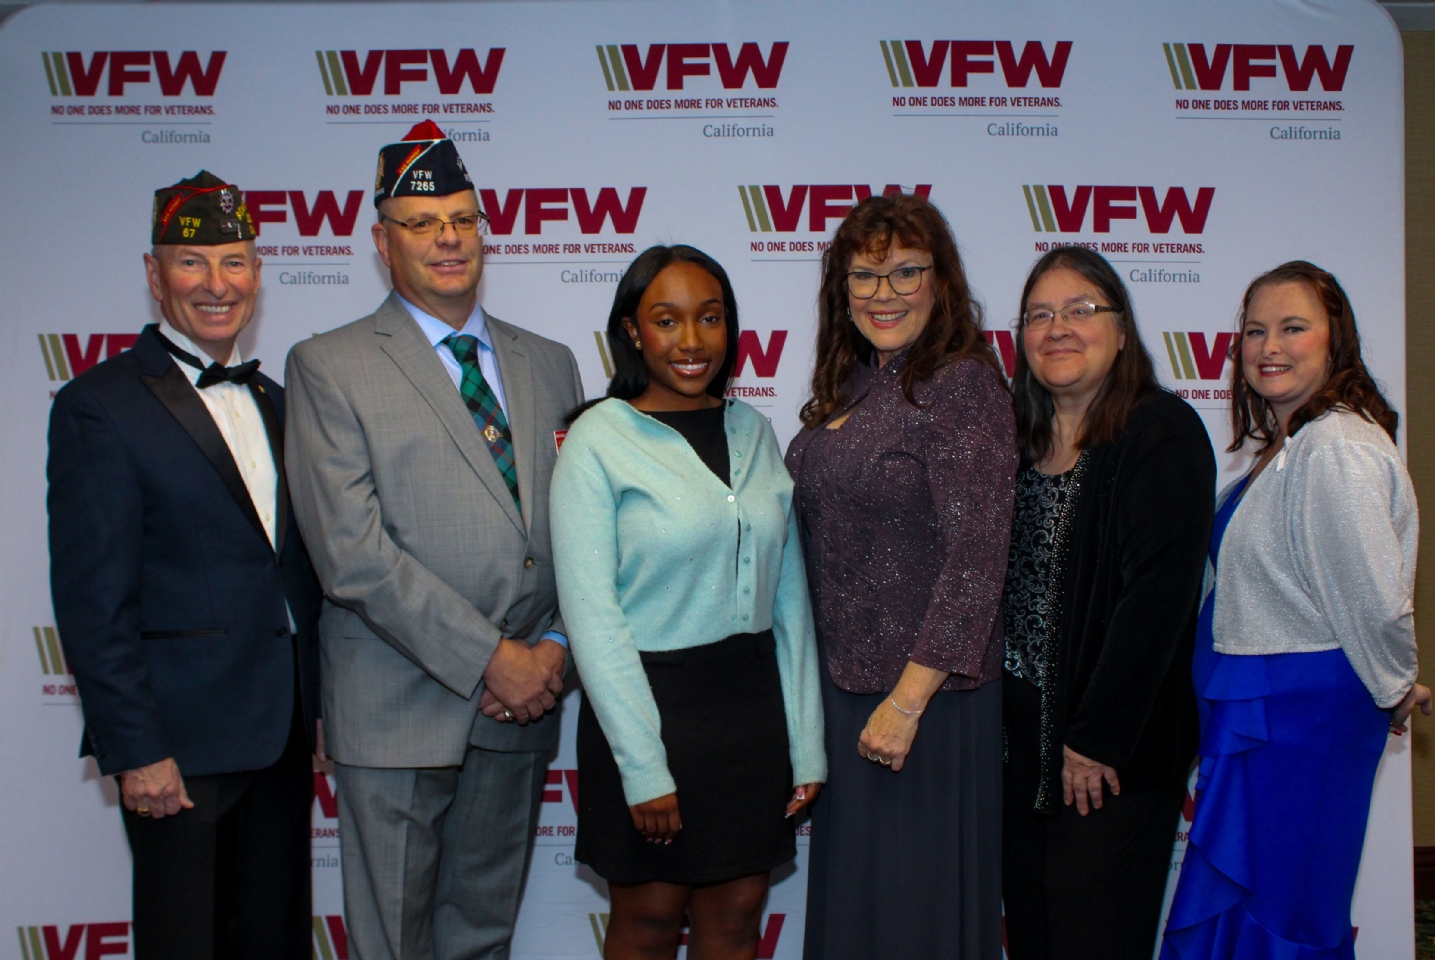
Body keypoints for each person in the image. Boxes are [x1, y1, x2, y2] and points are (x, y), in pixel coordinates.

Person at [284, 121, 583, 960]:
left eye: (462, 218)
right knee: (392, 946)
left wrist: (554, 650)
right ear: (382, 242)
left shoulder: (550, 362)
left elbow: (581, 533)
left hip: (520, 710)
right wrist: (493, 658)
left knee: (482, 939)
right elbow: (351, 554)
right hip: (398, 709)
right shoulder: (329, 364)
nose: (447, 238)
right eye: (420, 223)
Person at [47, 170, 324, 959]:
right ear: (154, 272)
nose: (216, 284)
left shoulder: (279, 400)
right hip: (177, 748)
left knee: (274, 943)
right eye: (191, 263)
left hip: (279, 736)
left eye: (234, 263)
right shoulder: (99, 404)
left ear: (258, 274)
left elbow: (292, 570)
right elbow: (93, 600)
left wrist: (319, 705)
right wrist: (135, 748)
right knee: (185, 945)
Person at [550, 245, 825, 960]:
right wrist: (644, 768)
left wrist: (806, 742)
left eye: (710, 317)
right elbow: (592, 618)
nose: (692, 340)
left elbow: (790, 600)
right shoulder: (596, 440)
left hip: (751, 716)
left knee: (736, 921)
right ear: (632, 331)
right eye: (666, 320)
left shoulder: (753, 430)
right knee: (647, 923)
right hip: (648, 712)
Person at [1161, 261, 1431, 960]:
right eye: (1255, 331)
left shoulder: (1337, 444)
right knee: (1255, 909)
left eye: (1292, 327)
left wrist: (1394, 681)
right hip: (1263, 710)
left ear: (1334, 339)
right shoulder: (1293, 444)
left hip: (1302, 719)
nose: (1269, 346)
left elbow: (1373, 597)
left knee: (1287, 914)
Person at [784, 193, 1014, 959]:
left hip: (928, 704)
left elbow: (977, 554)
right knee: (861, 915)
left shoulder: (961, 384)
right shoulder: (855, 383)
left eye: (904, 272)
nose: (883, 294)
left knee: (915, 918)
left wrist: (907, 703)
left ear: (939, 281)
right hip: (847, 694)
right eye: (864, 276)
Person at [1001, 246, 1214, 960]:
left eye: (1080, 310)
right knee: (1034, 930)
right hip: (1020, 751)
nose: (1057, 327)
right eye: (1039, 315)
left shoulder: (1159, 431)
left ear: (1121, 332)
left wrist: (1094, 740)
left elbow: (1157, 602)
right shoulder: (1017, 442)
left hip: (1109, 756)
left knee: (1092, 931)